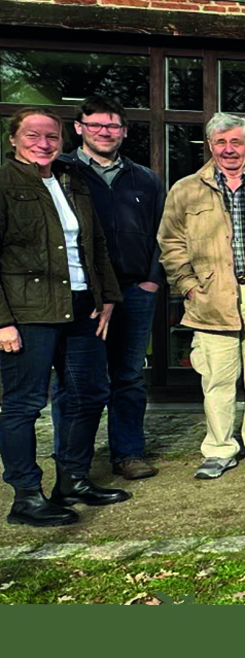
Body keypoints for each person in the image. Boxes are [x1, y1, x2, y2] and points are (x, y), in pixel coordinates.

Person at [158, 113, 245, 480]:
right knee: (217, 382)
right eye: (221, 143)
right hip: (211, 301)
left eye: (236, 142)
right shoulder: (186, 190)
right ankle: (219, 449)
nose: (229, 150)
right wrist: (188, 285)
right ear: (210, 146)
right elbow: (170, 243)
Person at [0, 108, 127, 527]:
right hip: (28, 312)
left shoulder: (72, 181)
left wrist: (107, 296)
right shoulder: (4, 182)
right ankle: (26, 495)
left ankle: (72, 479)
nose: (43, 143)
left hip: (82, 307)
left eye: (51, 136)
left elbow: (96, 244)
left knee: (89, 393)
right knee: (24, 404)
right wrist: (2, 321)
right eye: (33, 135)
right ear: (14, 139)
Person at [54, 96, 165, 481]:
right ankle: (72, 461)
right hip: (83, 292)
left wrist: (152, 280)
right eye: (97, 125)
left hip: (134, 289)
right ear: (79, 127)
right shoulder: (60, 172)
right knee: (75, 379)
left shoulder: (144, 178)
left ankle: (128, 452)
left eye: (113, 126)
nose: (106, 132)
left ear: (125, 131)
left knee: (129, 376)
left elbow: (162, 233)